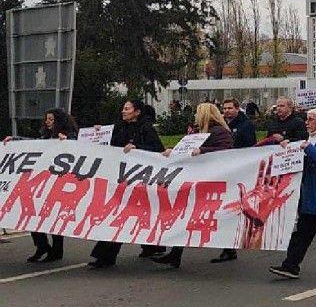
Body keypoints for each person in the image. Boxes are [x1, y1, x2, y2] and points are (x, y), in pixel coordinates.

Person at [150, 103, 235, 269]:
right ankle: (176, 254)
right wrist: (172, 151)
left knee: (213, 214)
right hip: (198, 179)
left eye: (197, 113)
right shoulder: (197, 132)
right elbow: (185, 149)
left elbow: (227, 152)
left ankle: (229, 248)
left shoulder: (220, 132)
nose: (195, 116)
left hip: (213, 179)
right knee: (188, 214)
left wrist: (203, 151)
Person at [269, 108, 316, 278]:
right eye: (307, 119)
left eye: (311, 119)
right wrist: (287, 149)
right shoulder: (308, 139)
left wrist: (309, 149)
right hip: (309, 195)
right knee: (302, 234)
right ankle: (290, 265)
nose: (307, 122)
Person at [89, 99, 166, 269]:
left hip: (140, 181)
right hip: (122, 179)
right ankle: (151, 247)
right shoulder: (119, 127)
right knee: (121, 214)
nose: (123, 111)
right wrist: (98, 134)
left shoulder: (146, 128)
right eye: (123, 108)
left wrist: (137, 148)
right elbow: (109, 146)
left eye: (127, 109)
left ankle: (106, 255)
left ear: (137, 112)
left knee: (123, 215)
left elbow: (158, 150)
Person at [3, 108, 78, 262]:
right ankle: (42, 246)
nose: (47, 122)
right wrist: (15, 140)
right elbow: (33, 144)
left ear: (58, 121)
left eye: (51, 119)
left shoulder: (69, 136)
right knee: (31, 215)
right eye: (47, 119)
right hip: (42, 182)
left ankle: (56, 250)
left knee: (53, 217)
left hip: (58, 183)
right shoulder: (46, 136)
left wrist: (67, 141)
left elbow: (79, 150)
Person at [208, 98, 257, 263]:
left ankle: (233, 244)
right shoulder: (223, 126)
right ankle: (228, 247)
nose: (227, 111)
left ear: (238, 109)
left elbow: (251, 148)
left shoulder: (246, 125)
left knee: (233, 208)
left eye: (230, 108)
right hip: (225, 170)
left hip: (238, 170)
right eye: (224, 108)